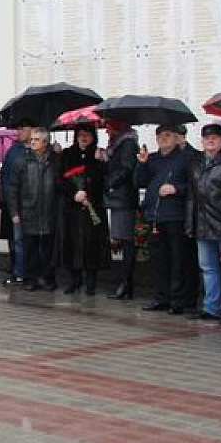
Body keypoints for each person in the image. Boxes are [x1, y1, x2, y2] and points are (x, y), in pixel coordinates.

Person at [186, 123, 221, 324]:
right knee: (208, 268)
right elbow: (191, 196)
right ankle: (211, 307)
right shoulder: (195, 163)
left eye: (215, 138)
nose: (210, 141)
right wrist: (190, 223)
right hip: (202, 223)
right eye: (206, 138)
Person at [136, 125, 192, 314]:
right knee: (159, 260)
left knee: (178, 259)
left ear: (176, 138)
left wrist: (176, 189)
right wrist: (142, 164)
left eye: (168, 135)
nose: (163, 138)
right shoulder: (152, 158)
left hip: (175, 215)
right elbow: (140, 182)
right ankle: (161, 297)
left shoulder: (185, 158)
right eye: (160, 135)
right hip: (155, 216)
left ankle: (178, 299)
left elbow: (193, 185)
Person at [57, 126, 108, 296]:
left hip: (93, 205)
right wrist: (74, 194)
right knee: (73, 244)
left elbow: (103, 180)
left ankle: (91, 282)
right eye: (81, 135)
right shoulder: (67, 154)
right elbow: (61, 180)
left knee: (92, 244)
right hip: (73, 207)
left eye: (88, 135)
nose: (84, 138)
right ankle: (75, 279)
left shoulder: (98, 154)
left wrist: (100, 162)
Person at [8, 128, 61, 291]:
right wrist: (14, 212)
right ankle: (30, 278)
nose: (32, 142)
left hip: (49, 211)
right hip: (28, 210)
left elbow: (61, 185)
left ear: (45, 142)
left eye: (36, 139)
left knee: (48, 248)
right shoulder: (22, 161)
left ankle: (46, 278)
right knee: (30, 247)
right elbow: (13, 188)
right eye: (31, 139)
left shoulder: (55, 161)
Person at [103, 120, 140, 300]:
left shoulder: (127, 144)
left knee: (126, 241)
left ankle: (126, 284)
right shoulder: (118, 144)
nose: (106, 130)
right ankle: (124, 284)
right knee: (122, 240)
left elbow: (126, 169)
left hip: (123, 198)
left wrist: (109, 184)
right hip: (118, 198)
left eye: (109, 126)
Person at [0, 125, 31, 284]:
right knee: (15, 239)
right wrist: (7, 198)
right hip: (13, 201)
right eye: (18, 129)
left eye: (23, 129)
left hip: (33, 203)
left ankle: (30, 271)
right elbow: (5, 176)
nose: (19, 132)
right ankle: (17, 269)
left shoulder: (42, 151)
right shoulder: (13, 151)